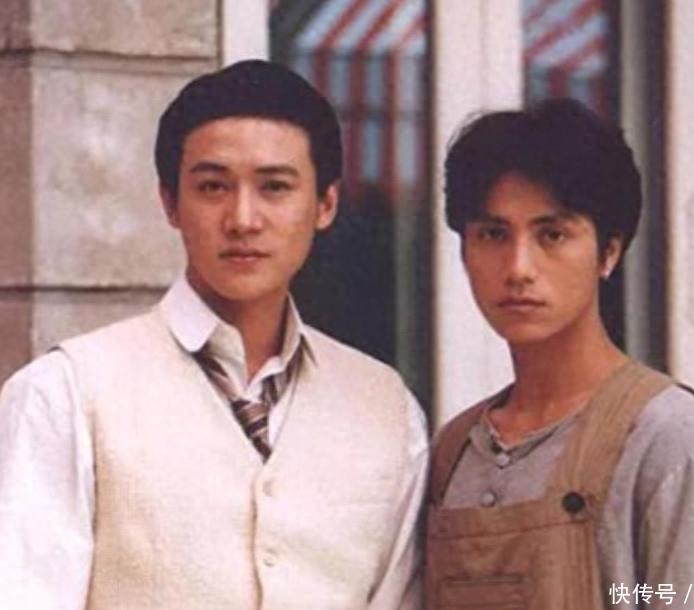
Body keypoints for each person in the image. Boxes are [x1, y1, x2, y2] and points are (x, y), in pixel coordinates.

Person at [0, 59, 428, 610]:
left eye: (275, 187)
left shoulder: (387, 410)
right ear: (170, 202)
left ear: (326, 204)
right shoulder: (66, 394)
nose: (243, 218)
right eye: (213, 187)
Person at [425, 99, 694, 609]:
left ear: (609, 252)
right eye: (493, 235)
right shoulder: (454, 453)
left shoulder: (672, 443)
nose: (519, 267)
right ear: (463, 252)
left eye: (552, 235)